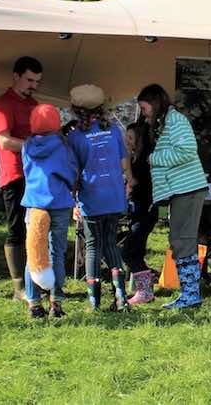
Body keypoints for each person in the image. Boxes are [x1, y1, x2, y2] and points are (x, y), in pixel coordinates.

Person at [137, 84, 208, 309]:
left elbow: (187, 150)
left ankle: (191, 294)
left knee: (183, 241)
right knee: (179, 240)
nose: (143, 113)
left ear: (155, 103)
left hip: (187, 189)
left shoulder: (175, 121)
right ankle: (188, 292)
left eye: (144, 107)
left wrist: (153, 158)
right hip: (179, 189)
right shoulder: (166, 122)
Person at [67, 84, 133, 312]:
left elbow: (74, 173)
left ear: (76, 110)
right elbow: (125, 163)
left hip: (92, 196)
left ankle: (94, 303)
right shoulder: (114, 130)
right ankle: (121, 298)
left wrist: (73, 198)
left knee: (93, 245)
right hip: (114, 195)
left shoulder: (75, 137)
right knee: (111, 243)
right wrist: (129, 183)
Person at [20, 104, 89, 319]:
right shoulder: (63, 146)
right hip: (58, 202)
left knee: (33, 252)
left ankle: (33, 304)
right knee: (56, 252)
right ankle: (56, 303)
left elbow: (25, 168)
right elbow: (71, 172)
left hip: (34, 203)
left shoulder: (27, 145)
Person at [0, 56, 42, 300]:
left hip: (36, 173)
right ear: (16, 76)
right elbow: (4, 141)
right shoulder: (1, 105)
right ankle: (19, 285)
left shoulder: (34, 104)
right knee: (16, 227)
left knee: (37, 225)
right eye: (30, 80)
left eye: (37, 81)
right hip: (14, 174)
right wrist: (34, 147)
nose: (33, 85)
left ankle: (36, 278)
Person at [122, 121, 159, 305]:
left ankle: (145, 290)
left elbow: (136, 183)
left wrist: (127, 167)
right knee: (133, 250)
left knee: (130, 252)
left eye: (130, 138)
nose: (126, 141)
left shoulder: (145, 160)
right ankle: (145, 286)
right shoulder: (138, 158)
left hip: (145, 210)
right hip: (139, 211)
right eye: (126, 137)